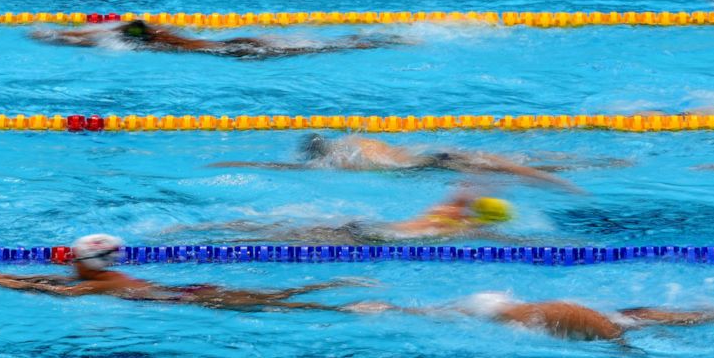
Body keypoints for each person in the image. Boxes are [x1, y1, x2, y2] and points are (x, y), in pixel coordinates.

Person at [345, 282, 714, 343]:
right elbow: (440, 312)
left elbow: (604, 329)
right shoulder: (512, 313)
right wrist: (392, 308)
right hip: (626, 312)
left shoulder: (541, 315)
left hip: (627, 320)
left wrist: (631, 356)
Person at [0, 234, 363, 311]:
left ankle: (347, 304)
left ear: (85, 263)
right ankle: (331, 284)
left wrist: (5, 284)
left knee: (285, 306)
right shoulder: (102, 278)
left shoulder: (91, 287)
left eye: (73, 258)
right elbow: (54, 282)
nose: (67, 265)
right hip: (189, 291)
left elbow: (59, 293)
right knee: (274, 299)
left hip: (194, 298)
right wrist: (9, 276)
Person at [207, 133, 607, 193]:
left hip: (430, 165)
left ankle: (568, 183)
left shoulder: (340, 161)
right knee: (519, 162)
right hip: (435, 155)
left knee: (517, 170)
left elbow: (289, 170)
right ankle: (597, 166)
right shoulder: (353, 139)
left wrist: (239, 161)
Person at [170, 191, 515, 244]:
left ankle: (197, 228)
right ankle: (209, 234)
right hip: (372, 237)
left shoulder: (447, 212)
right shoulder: (464, 229)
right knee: (284, 237)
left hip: (365, 225)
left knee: (284, 231)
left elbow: (460, 193)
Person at [31, 19, 406, 59]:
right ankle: (364, 40)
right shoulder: (156, 36)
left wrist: (57, 36)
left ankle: (366, 42)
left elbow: (97, 37)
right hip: (234, 43)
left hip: (233, 51)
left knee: (320, 49)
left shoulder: (143, 39)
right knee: (319, 46)